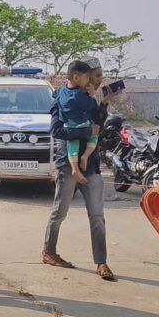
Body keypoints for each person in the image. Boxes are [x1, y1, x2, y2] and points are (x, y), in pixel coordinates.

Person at [43, 58, 118, 281]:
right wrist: (84, 132)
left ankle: (101, 263)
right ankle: (49, 252)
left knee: (97, 216)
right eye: (95, 77)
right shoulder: (60, 98)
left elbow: (98, 126)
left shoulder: (89, 100)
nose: (98, 81)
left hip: (91, 165)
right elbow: (57, 131)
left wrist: (103, 104)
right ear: (81, 78)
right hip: (68, 165)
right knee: (59, 212)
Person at [54, 61, 98, 184]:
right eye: (87, 77)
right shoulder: (80, 96)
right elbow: (92, 108)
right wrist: (92, 95)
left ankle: (75, 168)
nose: (89, 81)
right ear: (76, 77)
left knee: (72, 145)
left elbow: (55, 97)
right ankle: (85, 156)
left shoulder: (60, 91)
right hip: (82, 124)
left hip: (68, 124)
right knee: (94, 136)